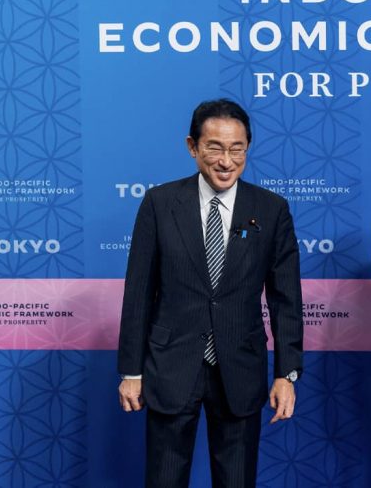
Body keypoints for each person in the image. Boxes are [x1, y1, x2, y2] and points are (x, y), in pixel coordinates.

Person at [116, 99, 304, 487]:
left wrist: (287, 373)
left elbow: (286, 300)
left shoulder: (271, 210)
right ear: (192, 146)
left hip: (240, 368)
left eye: (237, 149)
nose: (226, 161)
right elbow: (138, 293)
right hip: (171, 365)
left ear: (247, 148)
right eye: (214, 148)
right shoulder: (160, 204)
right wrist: (131, 371)